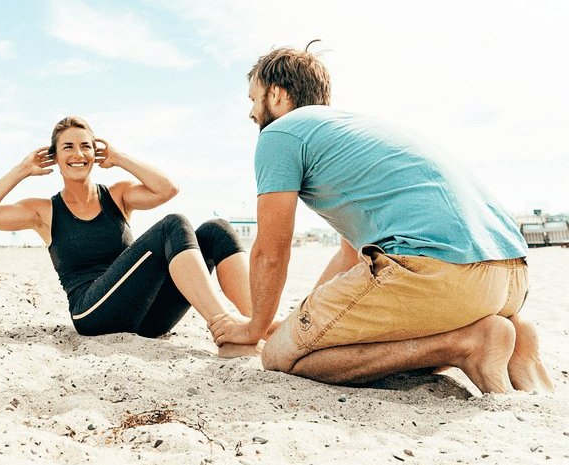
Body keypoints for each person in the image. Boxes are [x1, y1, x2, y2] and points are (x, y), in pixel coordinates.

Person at [210, 46, 553, 393]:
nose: (251, 112)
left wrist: (256, 329)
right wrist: (302, 324)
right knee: (302, 341)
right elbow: (348, 256)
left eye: (253, 98)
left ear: (278, 94)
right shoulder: (355, 131)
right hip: (510, 277)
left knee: (280, 358)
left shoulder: (280, 133)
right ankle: (515, 335)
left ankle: (466, 343)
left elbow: (271, 251)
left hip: (441, 275)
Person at [0, 116, 257, 356]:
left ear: (96, 152)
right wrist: (21, 170)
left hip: (146, 317)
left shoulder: (117, 196)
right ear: (54, 157)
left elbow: (167, 189)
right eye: (68, 147)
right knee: (174, 224)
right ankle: (224, 330)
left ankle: (257, 325)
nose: (78, 154)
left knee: (216, 230)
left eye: (86, 146)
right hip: (92, 314)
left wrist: (119, 158)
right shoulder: (44, 211)